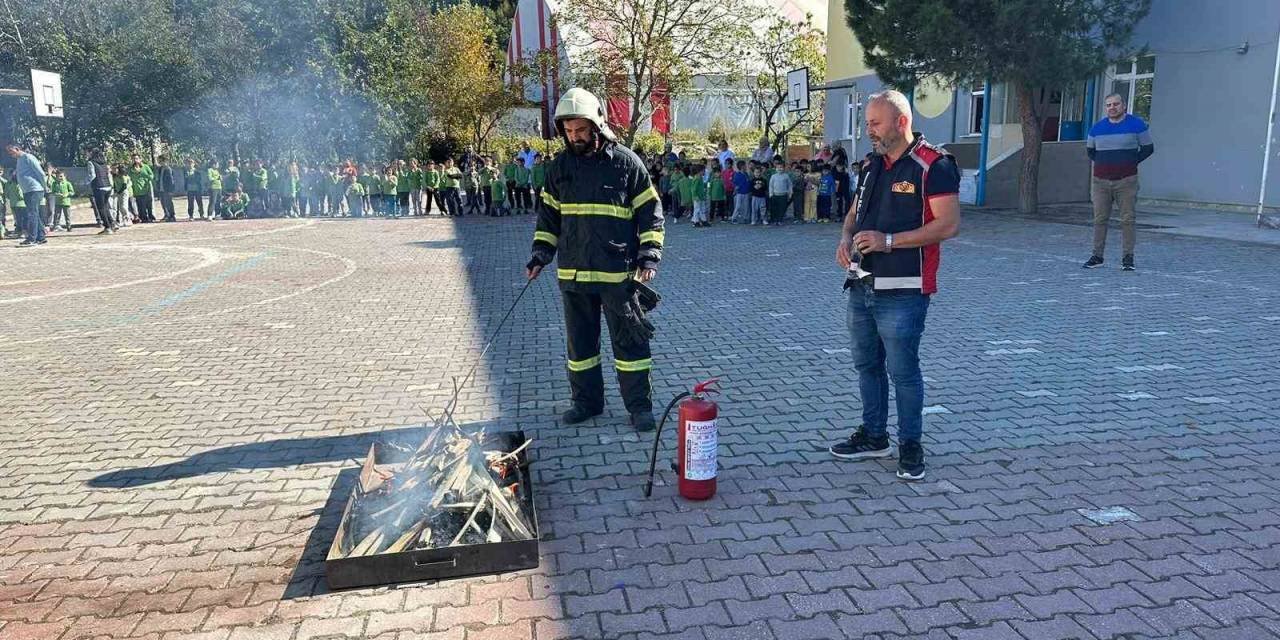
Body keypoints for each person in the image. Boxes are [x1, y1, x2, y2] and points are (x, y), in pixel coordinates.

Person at [830, 89, 961, 482]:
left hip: (904, 289)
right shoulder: (871, 165)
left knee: (903, 371)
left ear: (901, 122)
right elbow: (854, 213)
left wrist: (888, 242)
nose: (867, 129)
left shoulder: (933, 165)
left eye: (874, 122)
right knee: (867, 365)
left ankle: (911, 445)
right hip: (861, 284)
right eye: (867, 121)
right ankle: (874, 436)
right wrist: (844, 238)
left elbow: (948, 225)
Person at [526, 88, 665, 432]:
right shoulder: (559, 168)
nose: (575, 137)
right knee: (580, 347)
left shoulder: (626, 163)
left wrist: (649, 257)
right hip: (573, 277)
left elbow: (651, 213)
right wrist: (540, 255)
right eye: (569, 131)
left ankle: (639, 408)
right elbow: (549, 219)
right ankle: (586, 403)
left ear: (597, 125)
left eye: (581, 131)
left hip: (617, 275)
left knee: (630, 342)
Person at [1084, 92, 1154, 271]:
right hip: (1100, 183)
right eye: (1108, 105)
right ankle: (1097, 256)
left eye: (1115, 104)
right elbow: (1091, 152)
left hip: (1126, 182)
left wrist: (1130, 162)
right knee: (1099, 219)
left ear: (1123, 106)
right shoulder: (1096, 128)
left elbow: (1148, 148)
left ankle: (1128, 258)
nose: (1112, 108)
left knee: (1128, 219)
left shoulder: (1136, 125)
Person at [7, 142, 48, 246]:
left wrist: (45, 187)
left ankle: (32, 238)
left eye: (11, 152)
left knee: (32, 214)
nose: (11, 155)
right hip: (27, 190)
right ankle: (41, 237)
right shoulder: (19, 160)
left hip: (35, 189)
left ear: (17, 148)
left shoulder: (28, 157)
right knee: (34, 213)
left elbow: (40, 172)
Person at [86, 149, 116, 234]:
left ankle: (107, 227)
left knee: (101, 208)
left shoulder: (91, 162)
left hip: (99, 187)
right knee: (105, 206)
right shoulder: (104, 162)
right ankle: (112, 223)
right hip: (107, 186)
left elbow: (92, 175)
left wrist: (85, 182)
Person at [128, 154, 156, 223]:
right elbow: (128, 178)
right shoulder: (130, 169)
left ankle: (150, 217)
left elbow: (152, 176)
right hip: (136, 190)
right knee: (140, 205)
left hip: (146, 189)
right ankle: (143, 218)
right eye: (133, 159)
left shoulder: (145, 167)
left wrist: (144, 174)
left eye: (136, 158)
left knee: (148, 204)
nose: (135, 160)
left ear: (140, 159)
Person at [767, 158, 792, 226]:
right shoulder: (773, 176)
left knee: (782, 208)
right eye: (778, 167)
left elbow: (789, 185)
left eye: (781, 167)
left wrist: (790, 194)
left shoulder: (786, 176)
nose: (779, 169)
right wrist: (771, 194)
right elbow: (771, 186)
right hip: (775, 195)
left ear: (784, 168)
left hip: (783, 195)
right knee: (775, 208)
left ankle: (780, 220)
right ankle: (775, 220)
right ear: (775, 168)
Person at [1, 166, 22, 239]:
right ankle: (19, 230)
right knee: (19, 218)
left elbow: (6, 193)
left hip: (11, 203)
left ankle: (18, 230)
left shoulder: (8, 183)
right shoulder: (13, 184)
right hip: (17, 203)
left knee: (17, 218)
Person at [156, 155, 177, 222]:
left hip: (167, 190)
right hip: (161, 189)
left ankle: (172, 216)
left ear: (165, 161)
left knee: (169, 203)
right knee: (163, 203)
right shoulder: (160, 169)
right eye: (159, 161)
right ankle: (166, 215)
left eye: (161, 161)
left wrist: (171, 190)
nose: (160, 162)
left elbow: (171, 180)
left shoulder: (168, 169)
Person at [689, 162, 709, 227]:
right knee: (697, 209)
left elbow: (702, 186)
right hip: (697, 197)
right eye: (703, 171)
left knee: (702, 209)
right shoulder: (697, 178)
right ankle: (696, 221)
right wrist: (695, 196)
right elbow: (693, 189)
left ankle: (703, 220)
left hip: (701, 197)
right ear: (699, 171)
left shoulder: (699, 178)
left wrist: (708, 185)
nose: (704, 172)